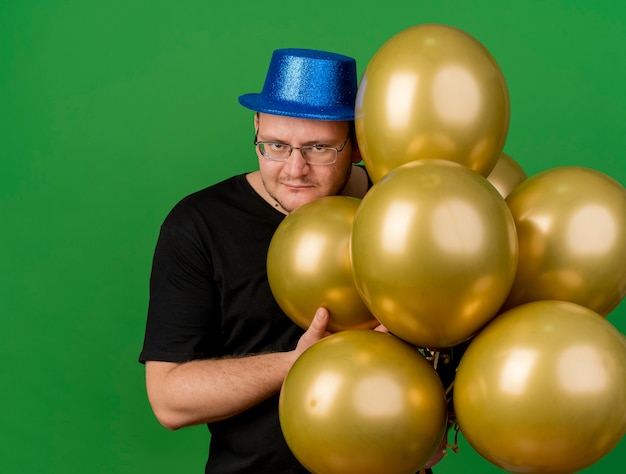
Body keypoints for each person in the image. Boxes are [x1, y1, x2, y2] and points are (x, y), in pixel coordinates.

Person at [139, 48, 372, 473]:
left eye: (319, 148)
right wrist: (298, 362)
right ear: (256, 127)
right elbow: (169, 400)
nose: (294, 169)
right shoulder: (198, 225)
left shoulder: (399, 213)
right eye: (276, 145)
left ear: (356, 144)